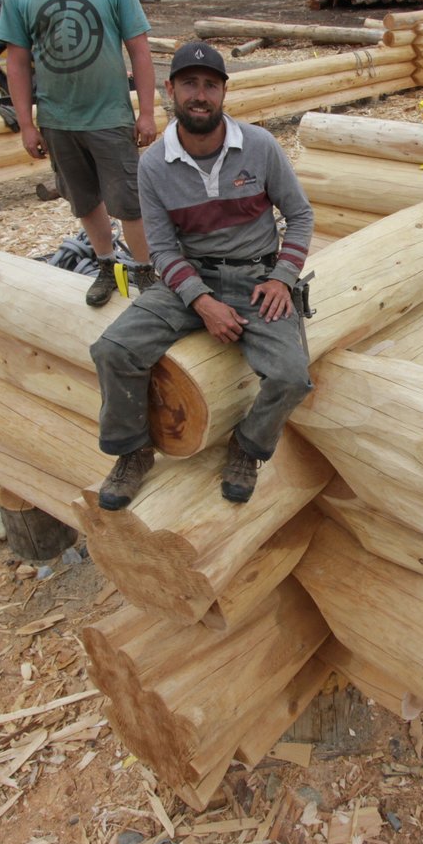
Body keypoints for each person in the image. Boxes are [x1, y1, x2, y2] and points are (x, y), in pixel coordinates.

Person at [90, 42, 315, 509]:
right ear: (170, 89)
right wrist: (202, 302)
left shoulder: (259, 146)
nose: (200, 95)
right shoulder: (153, 164)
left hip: (258, 279)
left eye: (210, 85)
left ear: (223, 93)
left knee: (292, 376)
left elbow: (301, 216)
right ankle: (133, 452)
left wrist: (283, 278)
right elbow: (162, 250)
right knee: (113, 350)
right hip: (187, 281)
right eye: (190, 84)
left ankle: (246, 447)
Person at [0, 0, 158, 307]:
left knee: (130, 202)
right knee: (84, 200)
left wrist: (146, 112)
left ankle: (146, 276)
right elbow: (16, 61)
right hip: (58, 119)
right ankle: (106, 265)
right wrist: (27, 123)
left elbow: (139, 51)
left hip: (110, 116)